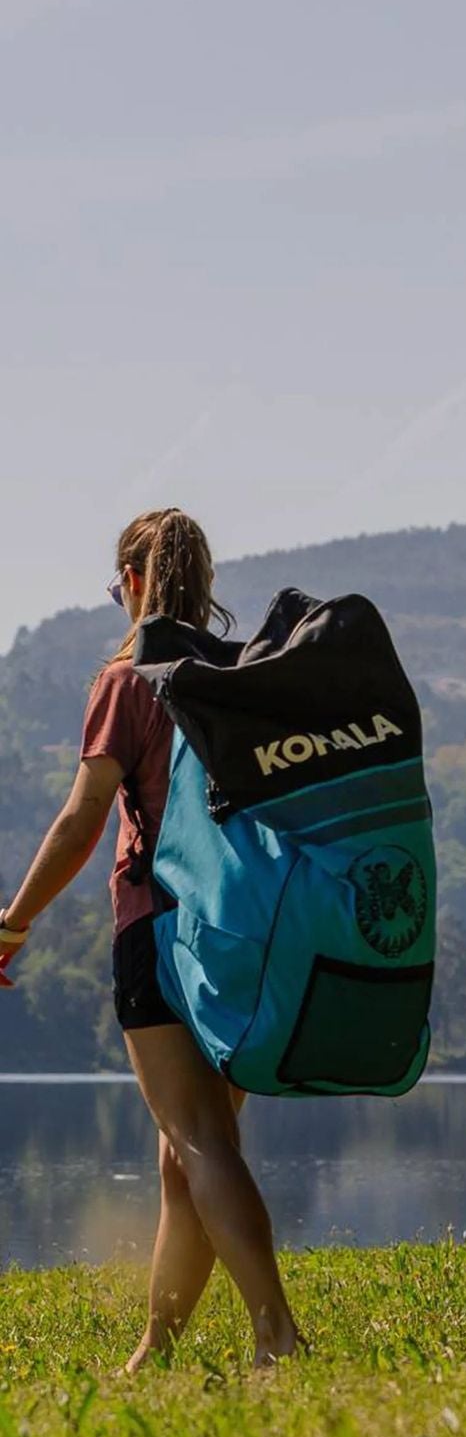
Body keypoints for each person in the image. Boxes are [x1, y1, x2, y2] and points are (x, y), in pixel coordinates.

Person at [0, 509, 302, 1371]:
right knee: (186, 1157)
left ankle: (278, 1334)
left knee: (199, 1142)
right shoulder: (237, 676)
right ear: (204, 584)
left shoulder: (129, 678)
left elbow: (82, 818)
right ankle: (154, 1354)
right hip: (244, 933)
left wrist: (13, 923)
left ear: (133, 583)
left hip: (160, 929)